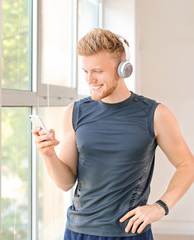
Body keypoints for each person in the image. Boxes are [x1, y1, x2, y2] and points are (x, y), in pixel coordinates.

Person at [32, 28, 194, 240]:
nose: (90, 79)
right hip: (78, 231)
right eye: (85, 71)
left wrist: (161, 206)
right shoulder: (74, 112)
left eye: (97, 71)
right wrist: (48, 155)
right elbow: (65, 183)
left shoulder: (156, 114)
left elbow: (187, 165)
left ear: (123, 69)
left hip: (130, 233)